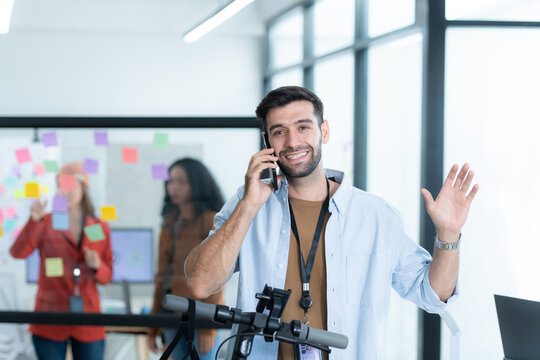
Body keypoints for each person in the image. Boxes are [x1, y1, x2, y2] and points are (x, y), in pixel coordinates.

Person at [184, 86, 479, 359]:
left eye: (303, 127)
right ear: (267, 143)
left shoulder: (376, 216)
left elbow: (432, 294)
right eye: (279, 132)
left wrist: (449, 233)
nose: (292, 141)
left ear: (324, 131)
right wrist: (248, 206)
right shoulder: (246, 204)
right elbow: (200, 283)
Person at [10, 161, 113, 360]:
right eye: (61, 185)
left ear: (83, 187)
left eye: (70, 185)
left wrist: (98, 265)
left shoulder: (99, 226)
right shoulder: (45, 221)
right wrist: (34, 222)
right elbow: (18, 253)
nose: (64, 191)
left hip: (88, 319)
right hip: (50, 317)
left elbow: (107, 277)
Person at [148, 158, 226, 360]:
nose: (173, 187)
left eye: (181, 181)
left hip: (200, 315)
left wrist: (208, 327)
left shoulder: (211, 219)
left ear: (196, 183)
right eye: (171, 181)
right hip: (170, 310)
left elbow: (217, 276)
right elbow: (162, 277)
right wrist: (153, 326)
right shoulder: (170, 220)